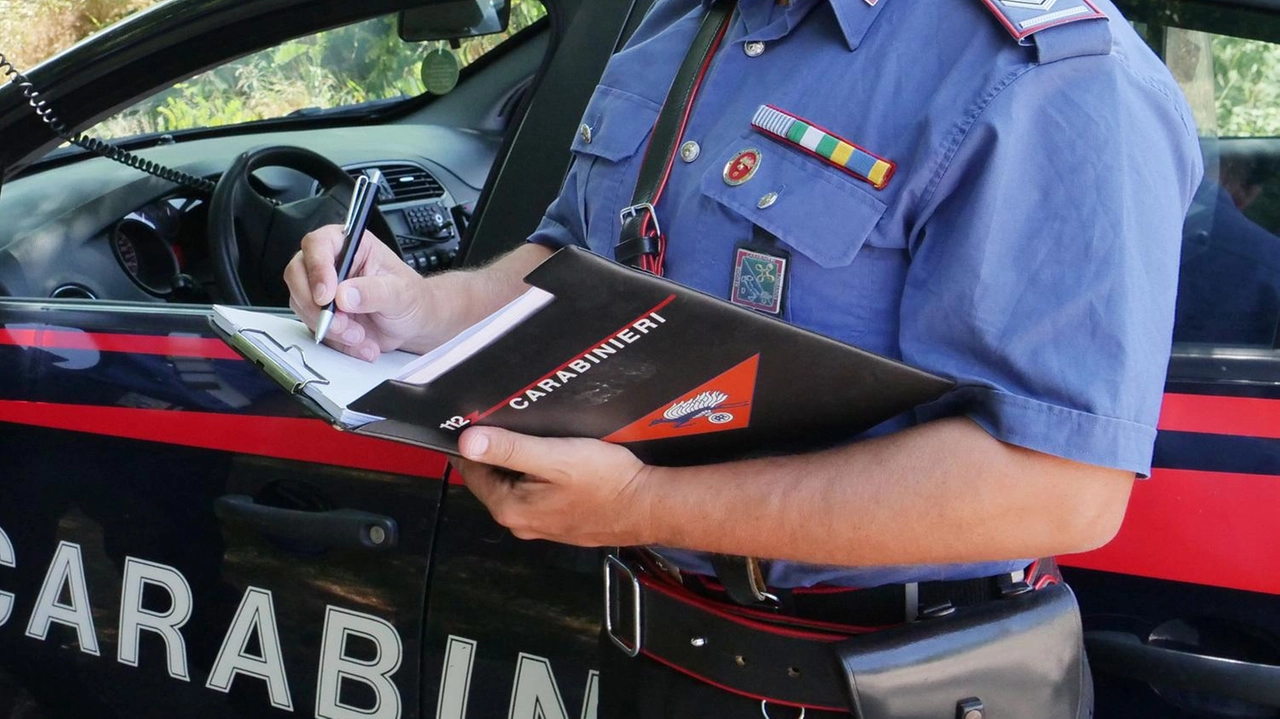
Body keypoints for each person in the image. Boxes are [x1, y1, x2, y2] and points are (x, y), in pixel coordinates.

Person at [285, 0, 1203, 715]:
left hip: (887, 686)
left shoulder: (1052, 76)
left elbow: (1057, 487)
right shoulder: (688, 26)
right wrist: (417, 306)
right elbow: (572, 267)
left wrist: (644, 504)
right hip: (656, 655)